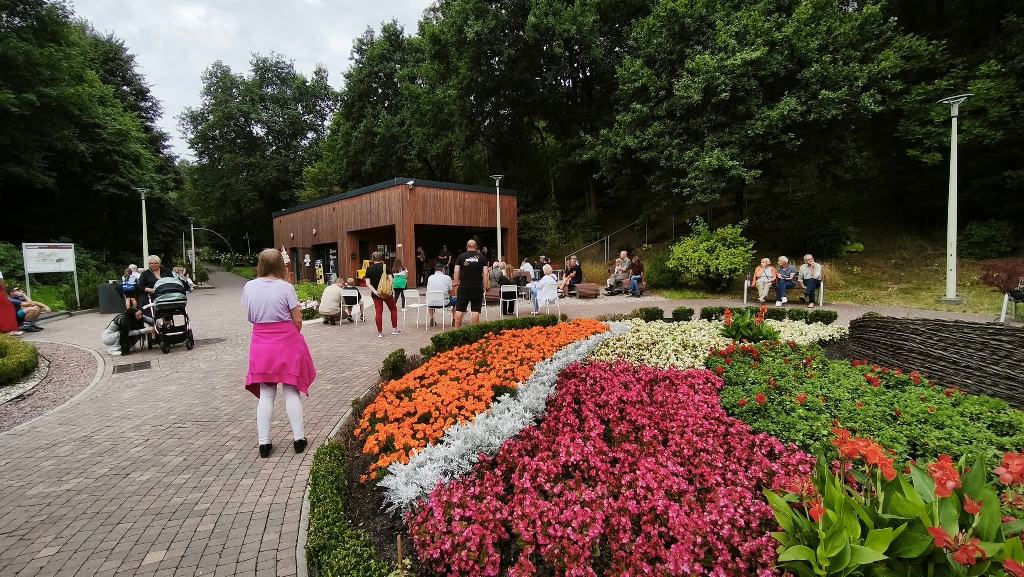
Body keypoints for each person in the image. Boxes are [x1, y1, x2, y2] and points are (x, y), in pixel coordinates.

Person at [242, 248, 316, 458]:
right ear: (280, 265)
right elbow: (298, 320)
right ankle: (299, 439)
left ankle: (264, 443)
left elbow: (250, 316)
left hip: (261, 342)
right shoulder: (286, 287)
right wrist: (290, 335)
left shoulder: (249, 287)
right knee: (291, 390)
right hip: (286, 341)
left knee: (266, 394)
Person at [453, 239, 489, 327]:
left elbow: (456, 270)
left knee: (459, 309)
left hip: (464, 287)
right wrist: (485, 286)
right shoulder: (482, 258)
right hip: (477, 287)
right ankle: (474, 329)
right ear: (476, 247)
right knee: (475, 310)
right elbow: (485, 273)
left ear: (467, 246)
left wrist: (456, 283)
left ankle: (456, 330)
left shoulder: (461, 257)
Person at [365, 251, 400, 337]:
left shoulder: (369, 269)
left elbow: (367, 283)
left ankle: (380, 332)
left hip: (376, 294)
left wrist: (375, 292)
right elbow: (391, 280)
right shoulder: (385, 267)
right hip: (387, 293)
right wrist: (389, 289)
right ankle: (394, 329)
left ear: (372, 259)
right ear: (381, 258)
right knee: (393, 309)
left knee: (378, 312)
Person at [425, 263, 454, 327]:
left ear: (435, 270)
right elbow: (450, 292)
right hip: (443, 302)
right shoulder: (447, 277)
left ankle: (432, 318)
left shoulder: (430, 277)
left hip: (431, 303)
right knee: (456, 301)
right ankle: (454, 319)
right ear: (443, 269)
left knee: (431, 299)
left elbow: (428, 289)